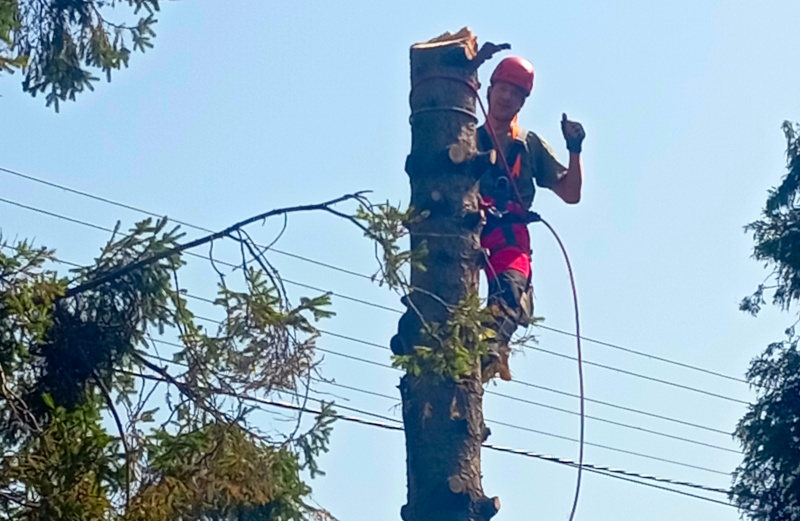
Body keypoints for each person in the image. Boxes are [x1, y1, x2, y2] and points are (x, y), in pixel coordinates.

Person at [479, 56, 585, 382]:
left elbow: (570, 192)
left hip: (509, 236)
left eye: (515, 92)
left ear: (522, 102)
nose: (506, 97)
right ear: (490, 89)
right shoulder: (465, 136)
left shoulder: (527, 144)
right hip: (466, 229)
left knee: (510, 296)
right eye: (502, 88)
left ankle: (487, 357)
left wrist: (574, 148)